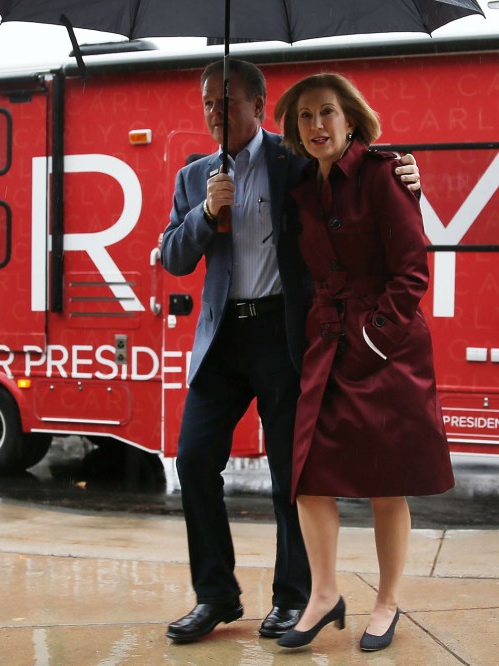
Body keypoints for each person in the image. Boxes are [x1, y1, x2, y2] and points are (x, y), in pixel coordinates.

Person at [158, 59, 421, 644]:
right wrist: (206, 213)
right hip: (222, 337)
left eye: (225, 101)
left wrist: (408, 174)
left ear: (258, 103)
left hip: (285, 333)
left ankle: (295, 597)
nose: (214, 113)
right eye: (206, 103)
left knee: (292, 475)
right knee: (194, 459)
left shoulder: (294, 156)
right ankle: (216, 596)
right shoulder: (194, 175)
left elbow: (351, 166)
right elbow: (173, 257)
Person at [271, 73, 454, 652]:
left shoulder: (383, 174)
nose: (316, 125)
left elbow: (412, 271)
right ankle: (323, 595)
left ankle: (388, 600)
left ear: (351, 119)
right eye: (304, 116)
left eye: (327, 112)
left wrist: (375, 337)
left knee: (384, 482)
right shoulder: (302, 182)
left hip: (386, 349)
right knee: (307, 476)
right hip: (325, 344)